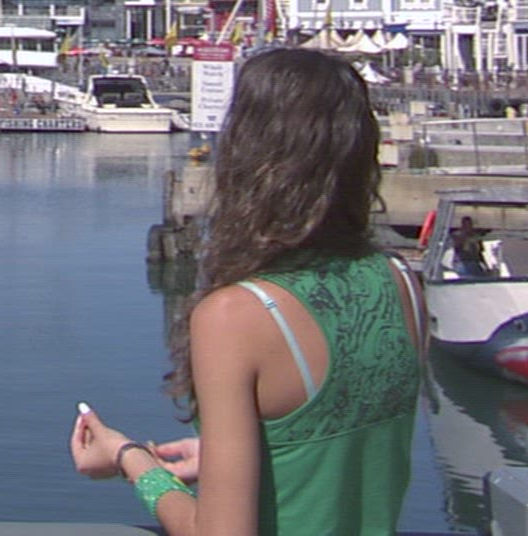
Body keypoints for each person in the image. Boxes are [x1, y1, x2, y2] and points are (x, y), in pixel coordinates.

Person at [70, 47, 423, 534]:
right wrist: (228, 458)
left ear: (247, 153)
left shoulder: (236, 316)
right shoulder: (401, 282)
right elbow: (335, 449)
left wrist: (130, 459)